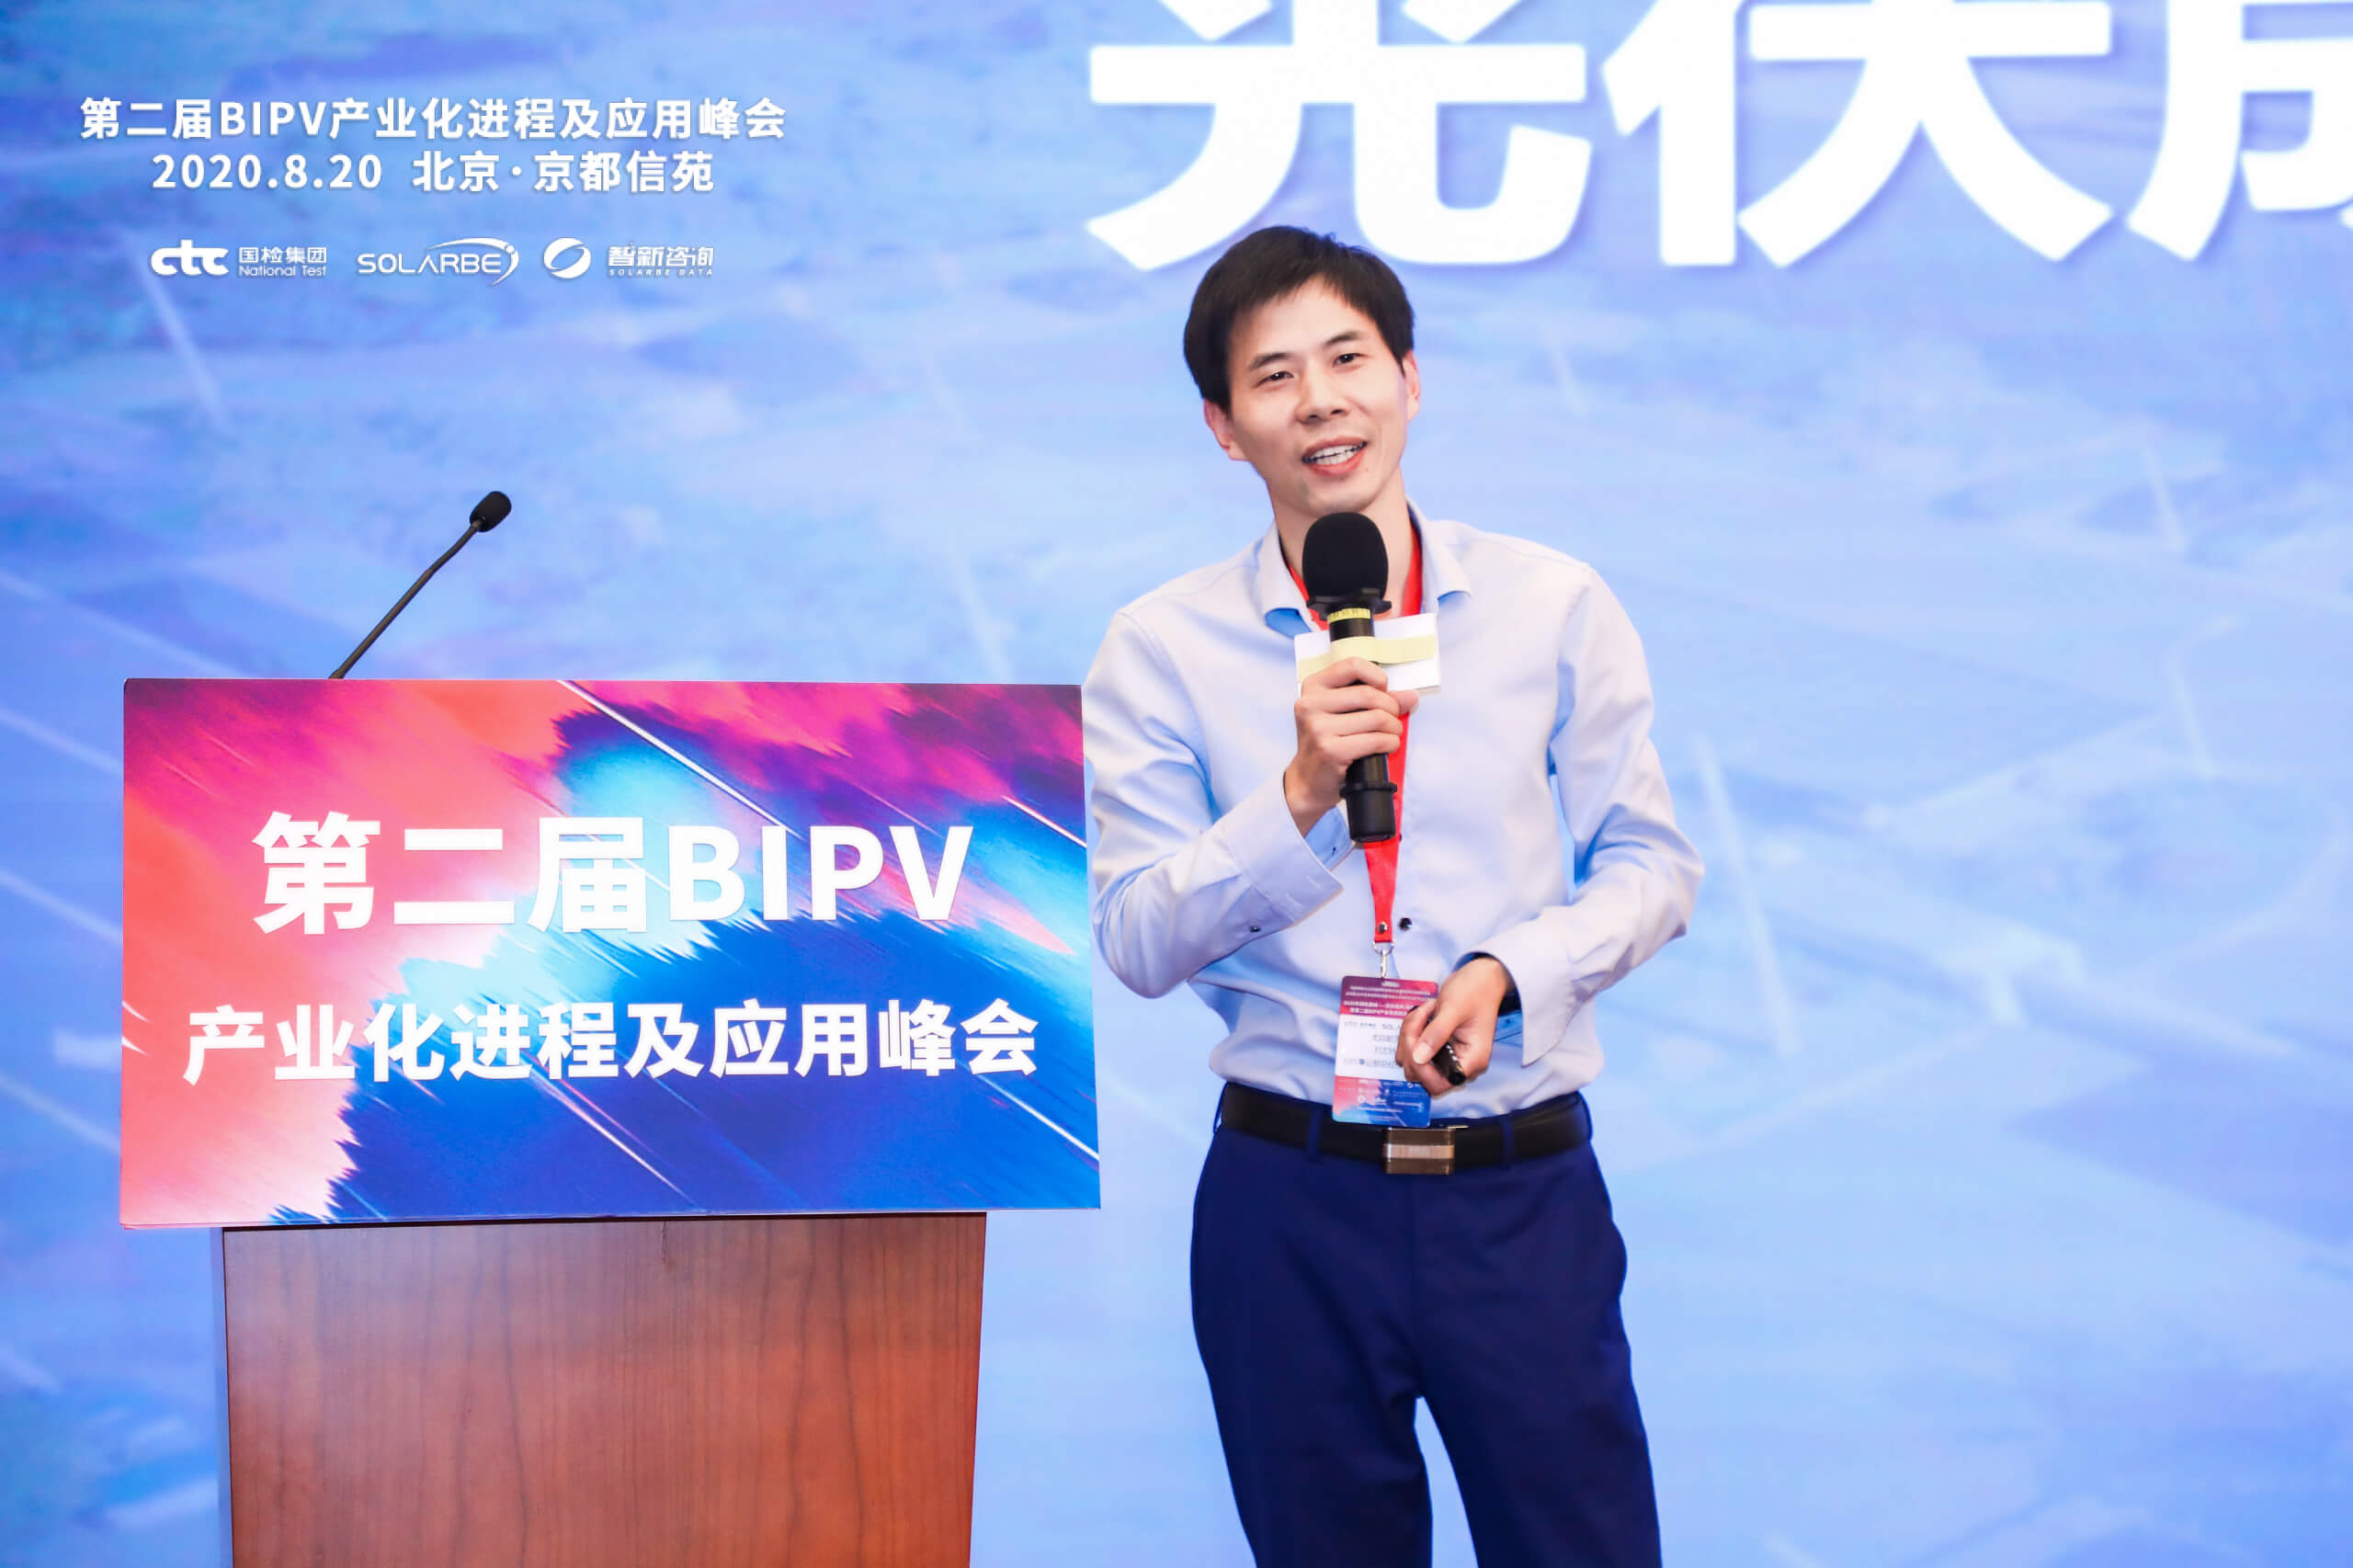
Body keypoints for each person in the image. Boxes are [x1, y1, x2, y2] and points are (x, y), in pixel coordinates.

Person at [1083, 225, 1704, 1566]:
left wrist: (1512, 973)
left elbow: (1653, 866)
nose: (1320, 401)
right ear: (1223, 428)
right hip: (1289, 1199)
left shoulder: (1551, 604)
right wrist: (1300, 793)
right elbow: (1136, 936)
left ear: (1411, 379)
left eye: (1349, 359)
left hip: (1516, 1189)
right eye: (1274, 376)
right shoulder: (1161, 646)